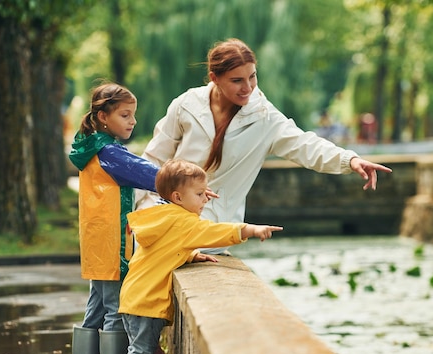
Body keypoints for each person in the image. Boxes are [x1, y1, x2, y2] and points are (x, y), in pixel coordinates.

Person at [136, 38, 392, 255]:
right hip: (161, 220)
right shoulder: (186, 105)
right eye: (237, 80)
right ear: (214, 78)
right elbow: (153, 159)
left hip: (210, 231)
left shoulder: (264, 117)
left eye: (252, 76)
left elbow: (305, 145)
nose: (247, 87)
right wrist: (134, 210)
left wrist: (350, 160)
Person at [118, 158, 282, 354]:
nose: (206, 199)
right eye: (199, 194)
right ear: (177, 197)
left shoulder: (162, 216)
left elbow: (162, 250)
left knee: (137, 347)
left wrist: (190, 255)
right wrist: (250, 229)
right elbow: (215, 232)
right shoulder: (184, 222)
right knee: (141, 349)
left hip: (133, 294)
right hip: (146, 300)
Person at [68, 82, 164, 354]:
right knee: (115, 307)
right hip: (111, 240)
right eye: (125, 115)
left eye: (133, 115)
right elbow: (148, 173)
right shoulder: (108, 151)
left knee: (97, 305)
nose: (132, 121)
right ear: (103, 116)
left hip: (96, 239)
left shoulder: (93, 146)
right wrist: (183, 180)